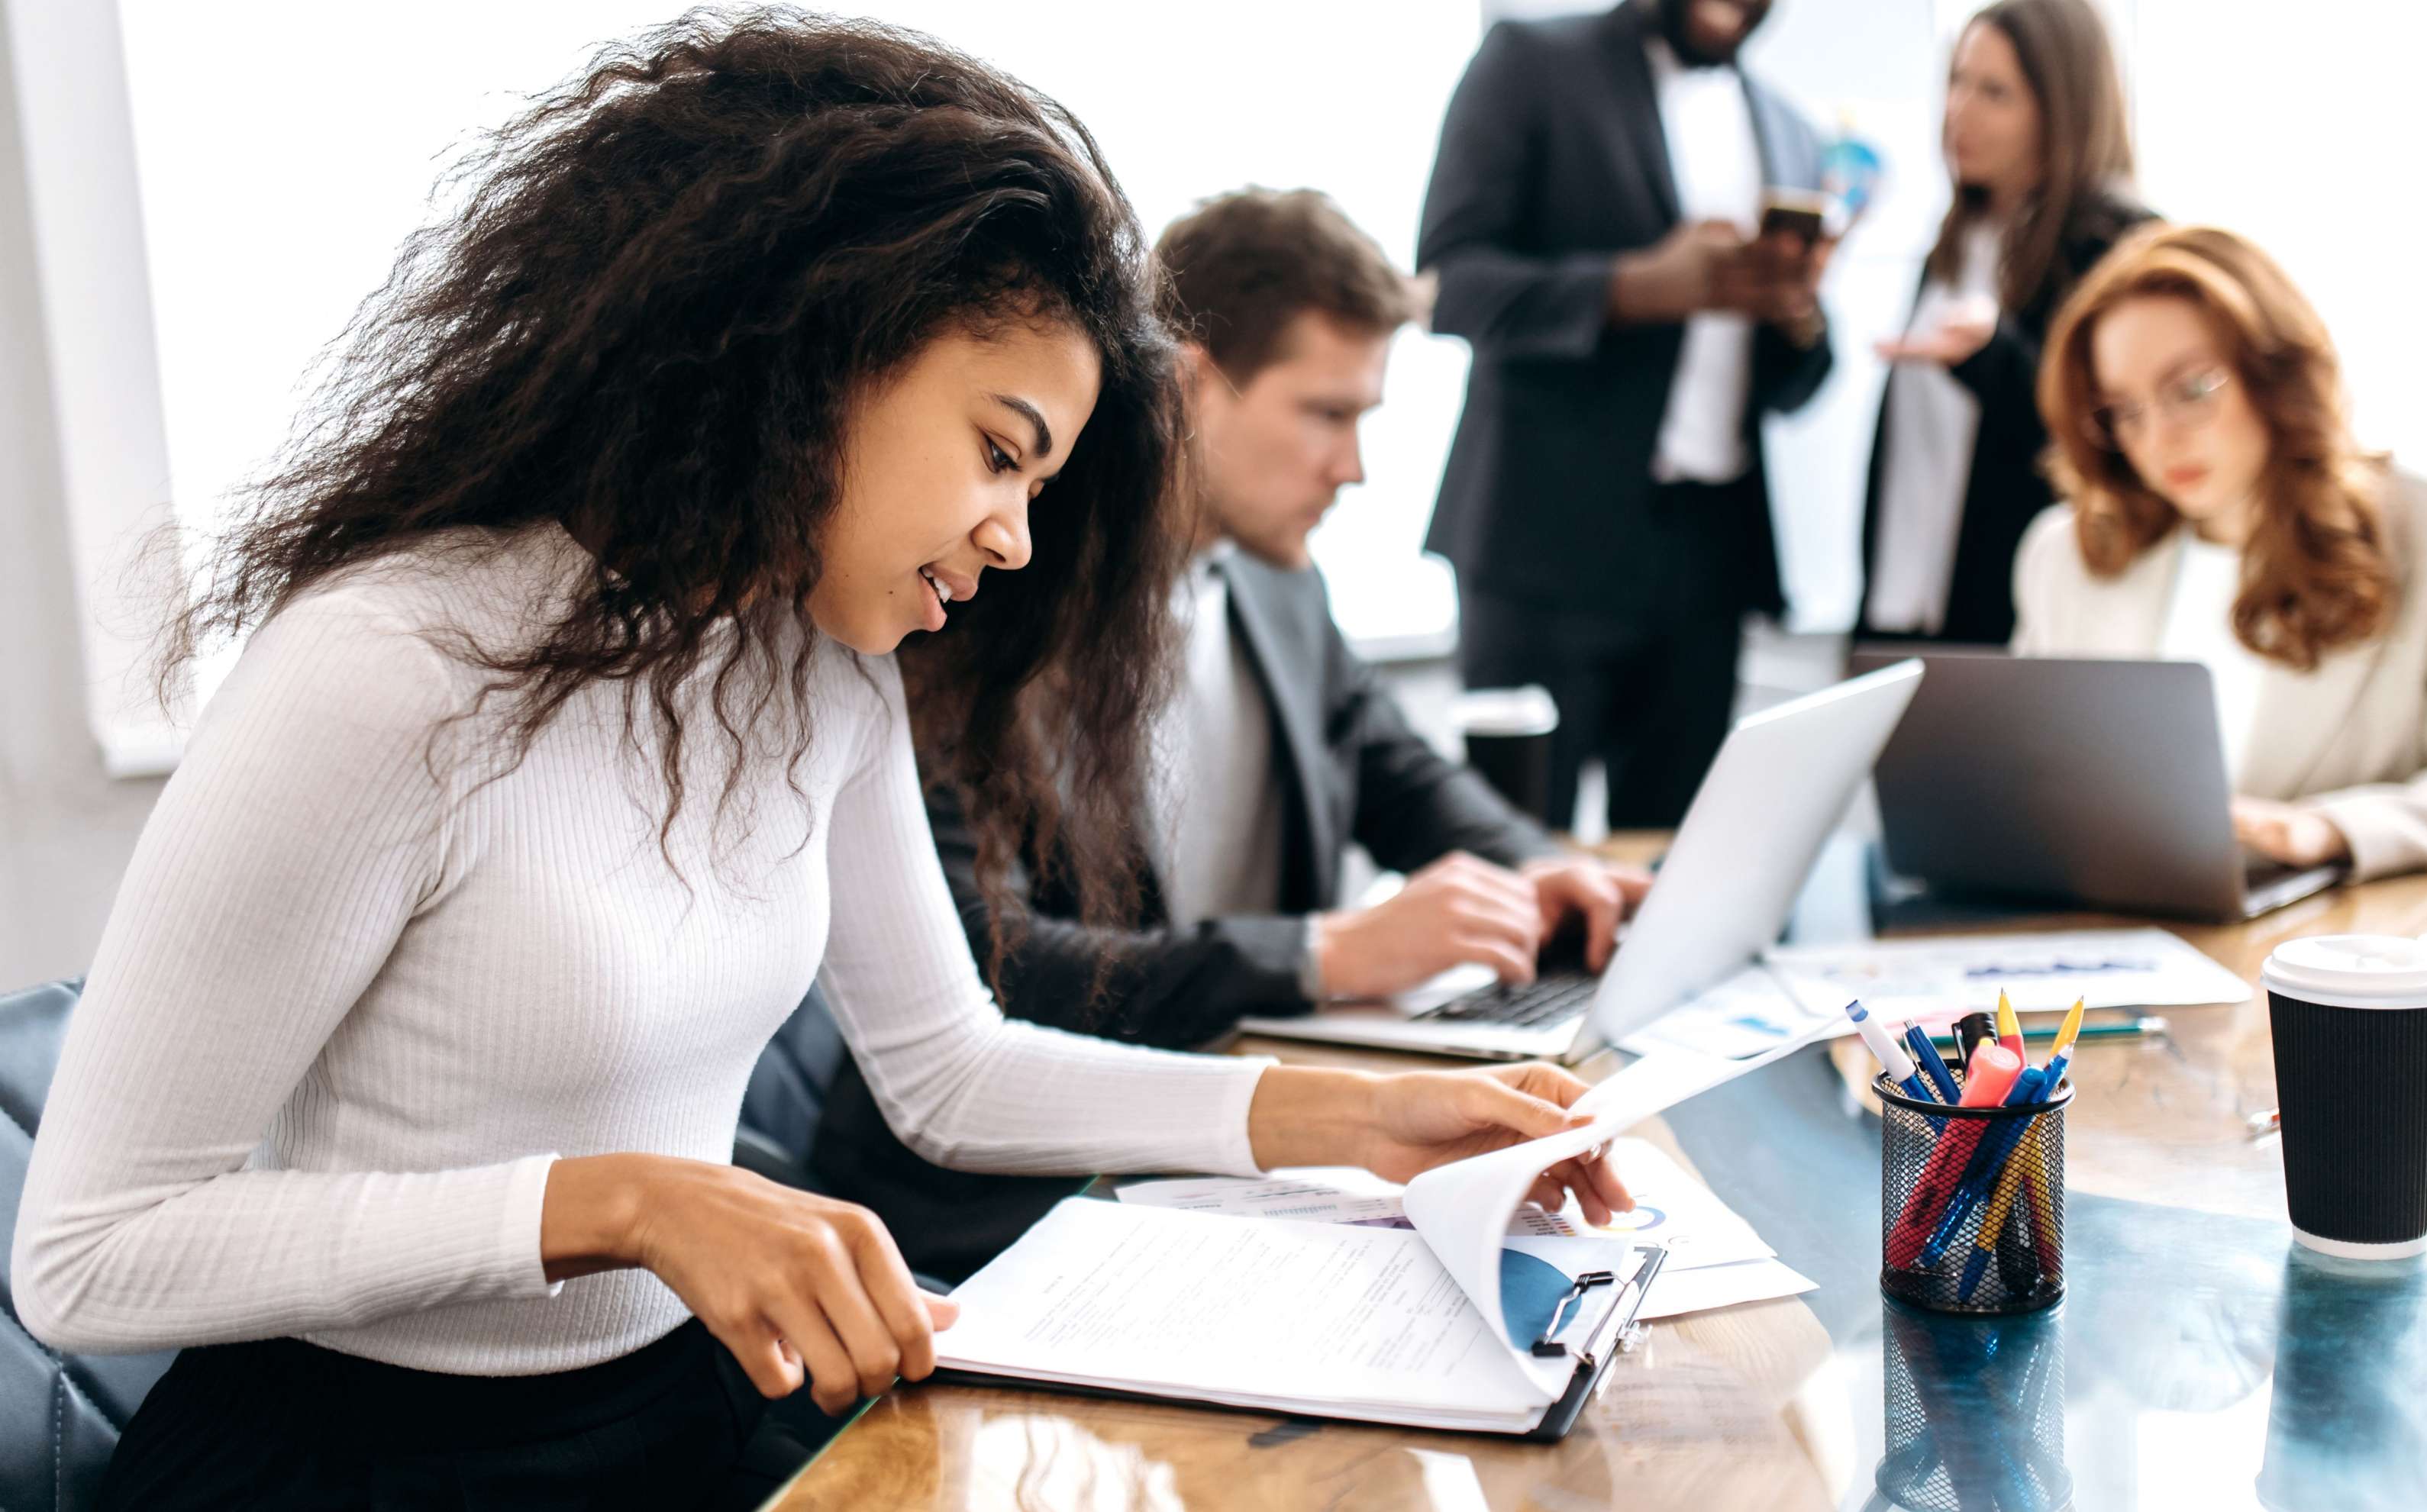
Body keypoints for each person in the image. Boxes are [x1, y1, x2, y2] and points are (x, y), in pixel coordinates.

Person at [8, 19, 1631, 1508]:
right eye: (999, 452)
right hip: (356, 1466)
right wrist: (620, 1203)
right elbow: (85, 1260)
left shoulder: (819, 665)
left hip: (677, 1419)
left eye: (1042, 486)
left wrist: (1344, 1115)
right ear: (809, 353)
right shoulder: (386, 666)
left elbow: (948, 1070)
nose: (1011, 535)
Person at [809, 187, 1654, 1280]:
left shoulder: (1279, 584)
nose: (1352, 468)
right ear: (1191, 387)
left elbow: (1392, 764)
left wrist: (1545, 872)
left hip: (1223, 1143)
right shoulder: (970, 592)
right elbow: (990, 964)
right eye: (1327, 414)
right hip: (993, 1222)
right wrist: (1323, 953)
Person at [2016, 224, 2427, 879]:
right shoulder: (2067, 553)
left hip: (2345, 943)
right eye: (2124, 410)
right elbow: (2034, 779)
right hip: (2125, 930)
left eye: (2191, 389)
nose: (2159, 438)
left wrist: (2330, 828)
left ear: (2274, 370)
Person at [1418, 0, 1835, 830]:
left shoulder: (1792, 131)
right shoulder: (1530, 62)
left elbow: (1795, 385)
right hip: (1542, 546)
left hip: (1710, 562)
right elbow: (1447, 287)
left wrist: (1799, 317)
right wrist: (1635, 289)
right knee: (1521, 856)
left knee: (1678, 866)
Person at [1861, 0, 2153, 646]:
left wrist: (1992, 356)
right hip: (1904, 608)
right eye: (1957, 82)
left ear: (2063, 108)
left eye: (1994, 92)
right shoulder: (1958, 242)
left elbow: (2114, 441)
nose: (1959, 110)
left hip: (2022, 623)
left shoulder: (2117, 247)